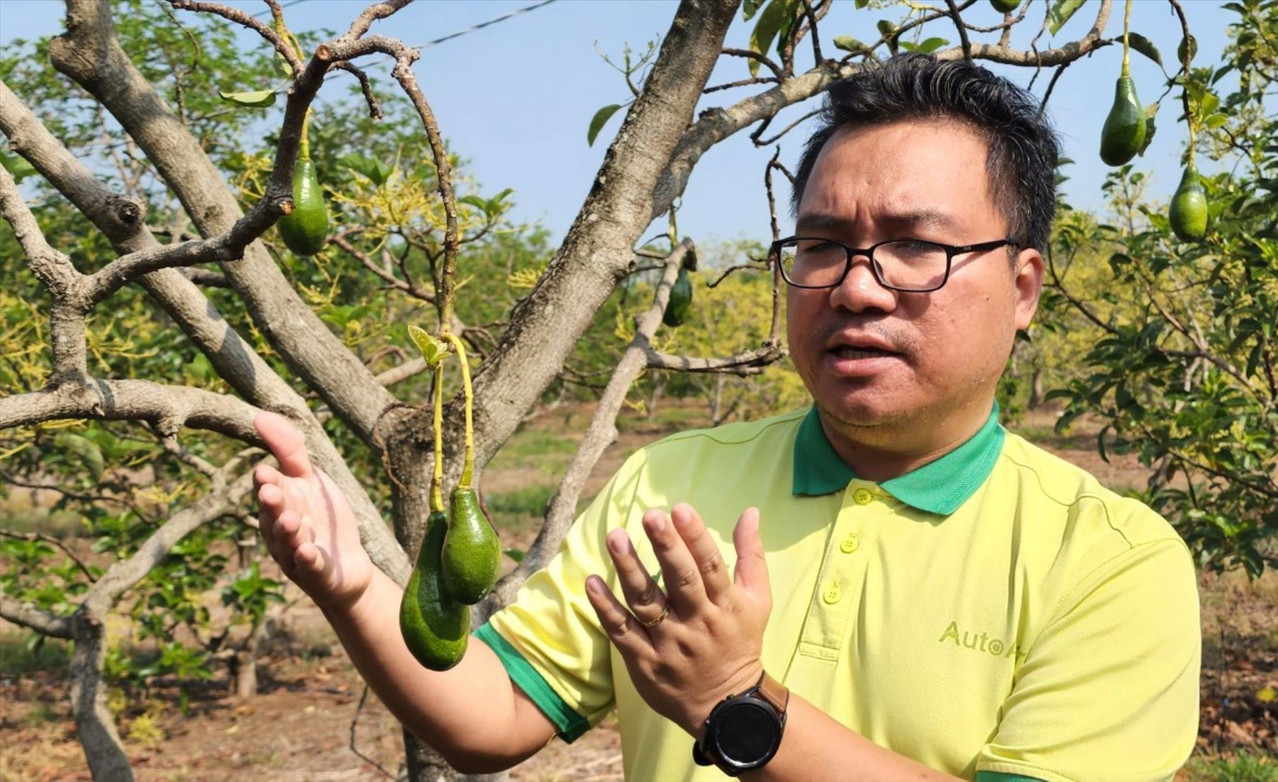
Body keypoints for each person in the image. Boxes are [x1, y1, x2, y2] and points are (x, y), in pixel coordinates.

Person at [254, 54, 1200, 781]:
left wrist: (734, 703)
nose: (857, 288)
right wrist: (355, 589)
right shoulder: (667, 486)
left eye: (914, 247)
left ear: (1024, 285)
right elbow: (491, 716)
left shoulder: (1111, 559)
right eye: (824, 245)